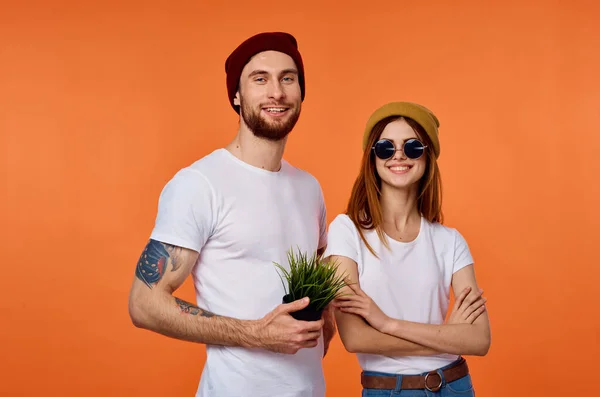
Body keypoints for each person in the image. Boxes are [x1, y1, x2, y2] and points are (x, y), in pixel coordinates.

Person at [127, 31, 335, 397]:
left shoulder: (309, 188)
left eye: (288, 78)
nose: (277, 92)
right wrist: (254, 333)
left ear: (301, 92)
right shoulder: (200, 183)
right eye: (260, 79)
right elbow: (144, 303)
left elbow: (320, 289)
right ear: (237, 96)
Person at [322, 101, 491, 396]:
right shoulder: (346, 231)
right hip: (387, 390)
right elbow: (355, 337)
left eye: (412, 147)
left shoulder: (450, 241)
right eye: (386, 147)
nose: (398, 155)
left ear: (427, 158)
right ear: (372, 157)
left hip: (454, 387)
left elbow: (478, 340)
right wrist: (448, 336)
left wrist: (387, 323)